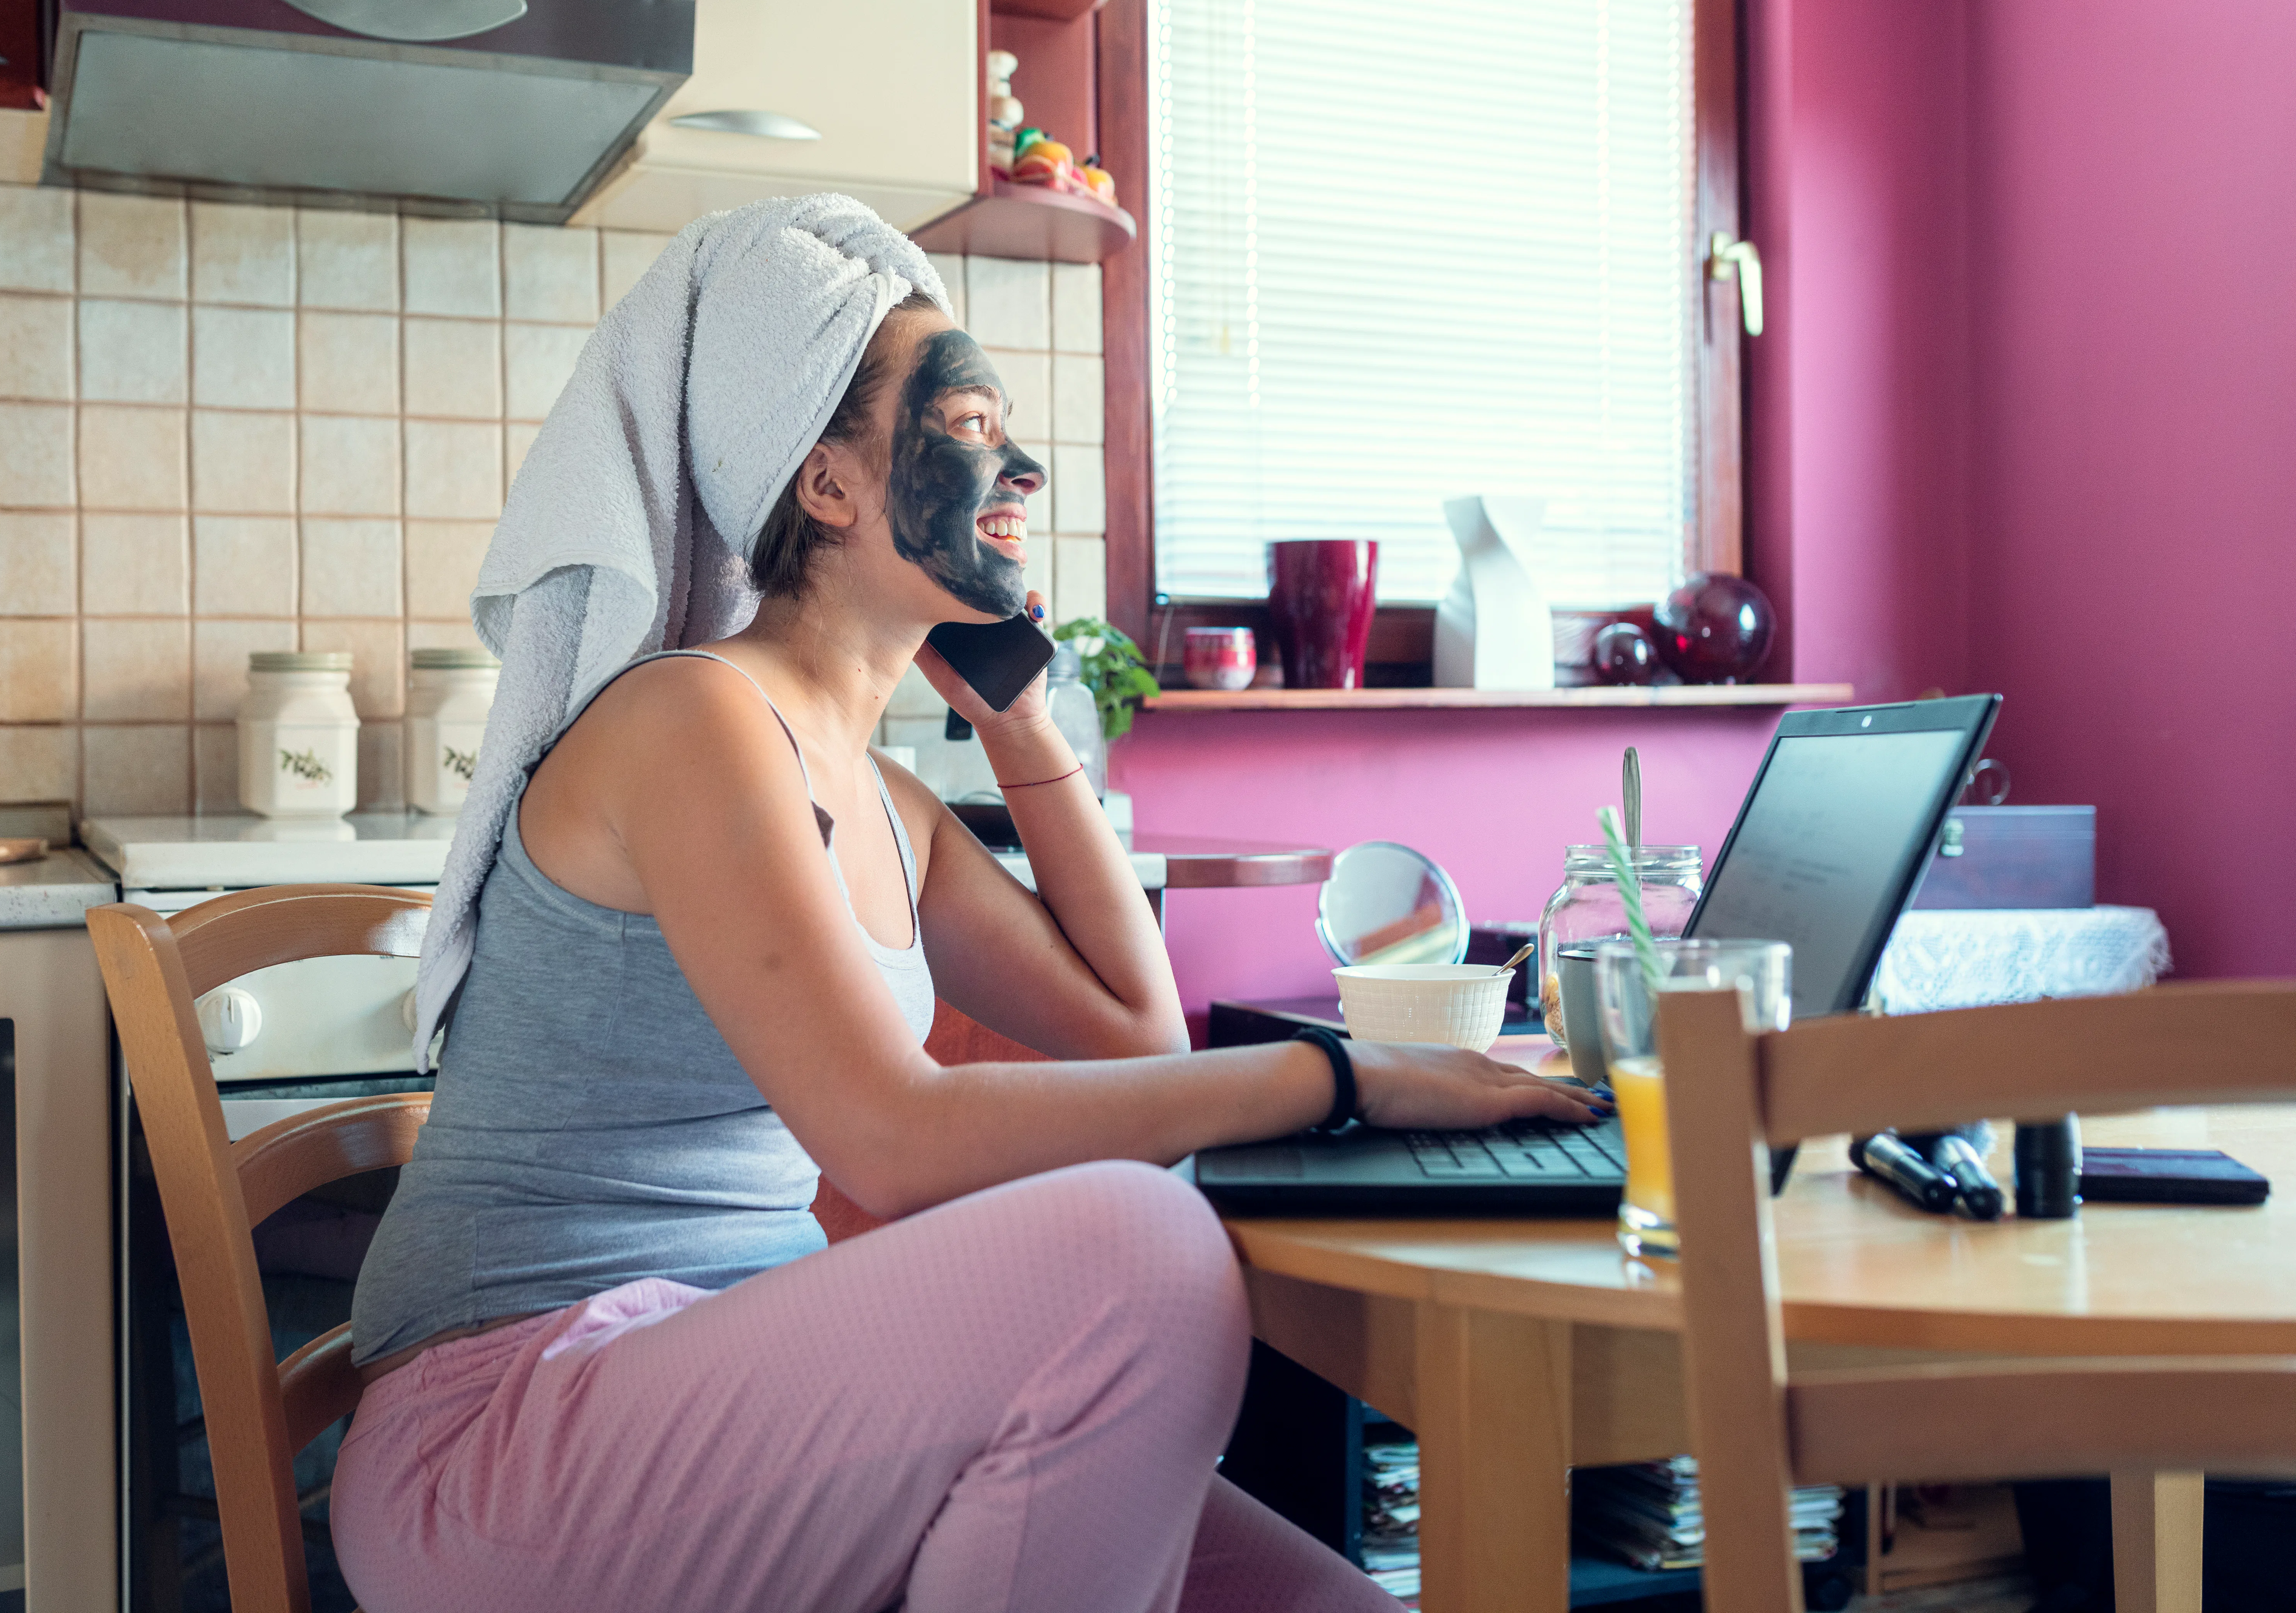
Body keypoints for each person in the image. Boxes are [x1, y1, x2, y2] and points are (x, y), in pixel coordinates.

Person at [331, 197, 1604, 1613]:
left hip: (721, 1398)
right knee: (1146, 1254)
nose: (1025, 467)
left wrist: (1023, 724)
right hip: (509, 1440)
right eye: (970, 425)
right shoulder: (696, 721)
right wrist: (1346, 1079)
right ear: (829, 484)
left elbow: (1138, 1037)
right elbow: (892, 1138)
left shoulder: (884, 796)